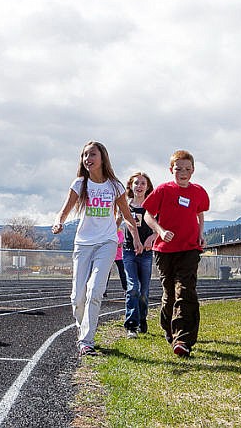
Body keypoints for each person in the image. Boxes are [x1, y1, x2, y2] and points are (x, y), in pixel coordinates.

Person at [52, 141, 143, 357]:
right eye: (84, 155)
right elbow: (63, 210)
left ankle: (87, 340)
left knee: (95, 291)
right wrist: (59, 222)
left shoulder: (115, 186)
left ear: (102, 157)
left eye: (92, 154)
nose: (87, 158)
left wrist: (137, 239)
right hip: (83, 243)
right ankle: (82, 328)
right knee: (77, 297)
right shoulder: (80, 184)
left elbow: (128, 217)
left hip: (107, 242)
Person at [143, 150, 209, 358]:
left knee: (186, 290)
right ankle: (168, 327)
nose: (183, 172)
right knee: (169, 294)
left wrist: (200, 234)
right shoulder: (163, 190)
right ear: (171, 169)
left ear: (193, 170)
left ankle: (184, 339)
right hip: (165, 250)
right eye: (179, 168)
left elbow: (200, 214)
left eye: (187, 169)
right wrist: (160, 231)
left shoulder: (198, 191)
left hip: (189, 248)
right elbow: (148, 215)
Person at [122, 172, 158, 338]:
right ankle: (131, 325)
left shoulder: (152, 206)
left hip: (146, 253)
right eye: (136, 183)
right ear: (131, 186)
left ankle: (142, 318)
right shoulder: (125, 205)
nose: (139, 186)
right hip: (129, 251)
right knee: (132, 288)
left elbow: (160, 227)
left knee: (143, 291)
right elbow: (115, 222)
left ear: (148, 186)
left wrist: (152, 237)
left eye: (143, 183)